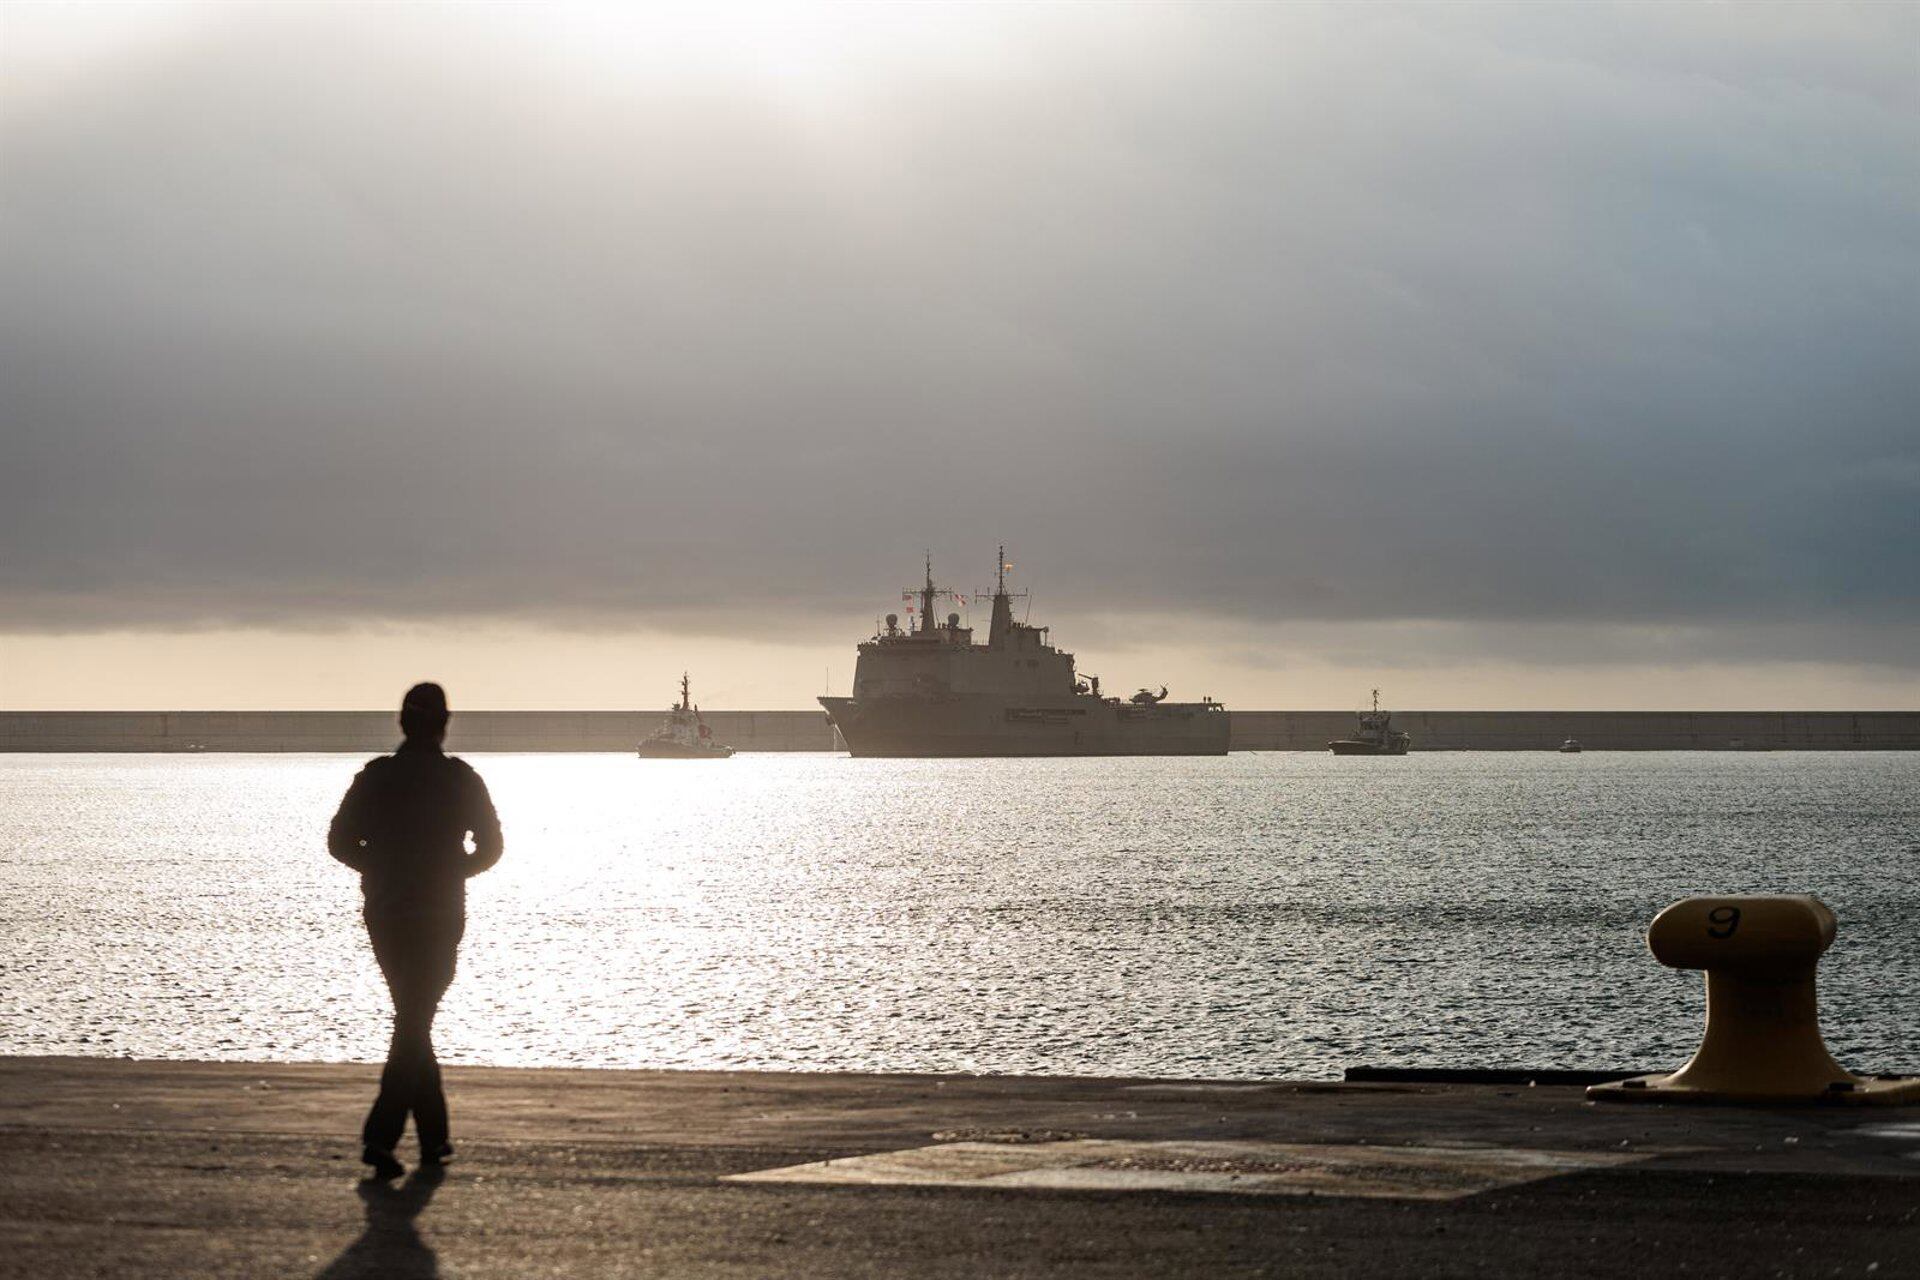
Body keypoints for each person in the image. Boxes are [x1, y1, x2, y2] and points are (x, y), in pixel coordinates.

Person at [328, 682, 502, 1179]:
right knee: (414, 1017)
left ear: (402, 723)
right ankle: (381, 1138)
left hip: (386, 912)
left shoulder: (377, 777)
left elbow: (339, 842)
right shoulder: (461, 780)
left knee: (412, 1014)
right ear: (444, 724)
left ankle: (434, 1139)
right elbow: (491, 849)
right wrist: (450, 871)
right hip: (441, 912)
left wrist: (379, 867)